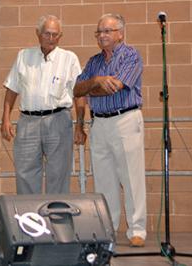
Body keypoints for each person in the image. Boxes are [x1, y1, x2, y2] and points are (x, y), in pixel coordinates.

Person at [73, 13, 146, 247]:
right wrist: (96, 80)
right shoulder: (94, 62)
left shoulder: (131, 55)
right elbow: (76, 89)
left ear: (120, 34)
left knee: (131, 177)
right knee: (104, 179)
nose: (102, 35)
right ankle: (108, 227)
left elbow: (114, 89)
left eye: (107, 31)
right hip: (99, 123)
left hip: (125, 119)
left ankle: (137, 230)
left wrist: (92, 87)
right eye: (99, 31)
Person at [1, 15, 82, 194]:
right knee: (25, 174)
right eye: (47, 34)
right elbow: (12, 89)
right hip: (27, 122)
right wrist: (5, 119)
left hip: (59, 120)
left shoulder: (69, 59)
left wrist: (80, 125)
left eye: (55, 34)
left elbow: (79, 94)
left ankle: (56, 220)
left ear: (60, 36)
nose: (51, 38)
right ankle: (30, 220)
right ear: (38, 34)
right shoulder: (24, 56)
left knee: (59, 174)